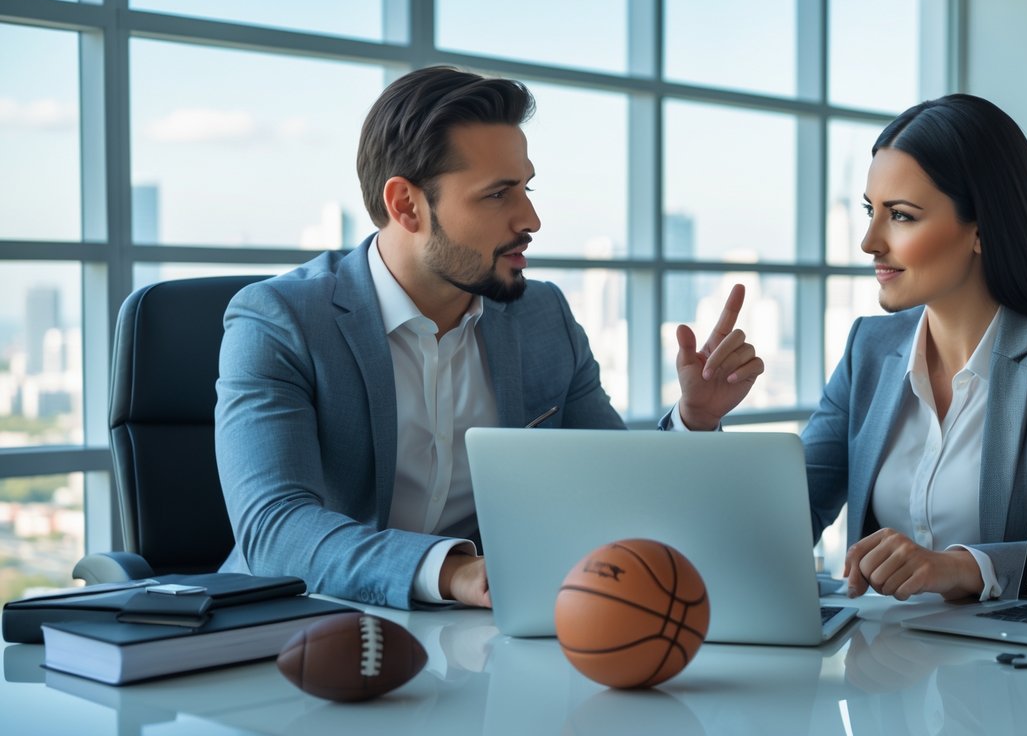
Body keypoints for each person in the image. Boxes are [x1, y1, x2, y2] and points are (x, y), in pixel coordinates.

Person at [214, 66, 763, 610]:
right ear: (406, 204)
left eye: (526, 188)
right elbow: (274, 528)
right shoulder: (279, 320)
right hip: (306, 631)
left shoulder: (541, 315)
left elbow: (614, 493)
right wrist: (452, 572)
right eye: (498, 195)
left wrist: (695, 418)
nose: (532, 219)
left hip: (486, 640)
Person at [803, 93, 1027, 602]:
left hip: (1016, 670)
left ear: (980, 229)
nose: (869, 241)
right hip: (878, 664)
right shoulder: (868, 349)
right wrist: (699, 417)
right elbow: (786, 517)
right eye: (872, 211)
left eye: (902, 216)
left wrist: (965, 568)